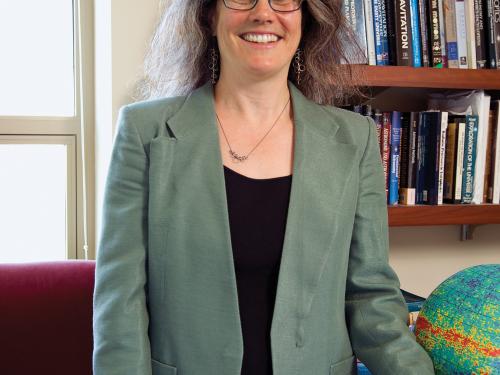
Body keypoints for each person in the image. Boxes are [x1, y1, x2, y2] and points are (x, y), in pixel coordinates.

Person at [92, 0, 435, 374]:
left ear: (306, 18)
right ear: (209, 15)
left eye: (284, 0)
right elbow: (120, 304)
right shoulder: (145, 132)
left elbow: (371, 298)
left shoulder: (355, 140)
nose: (263, 13)